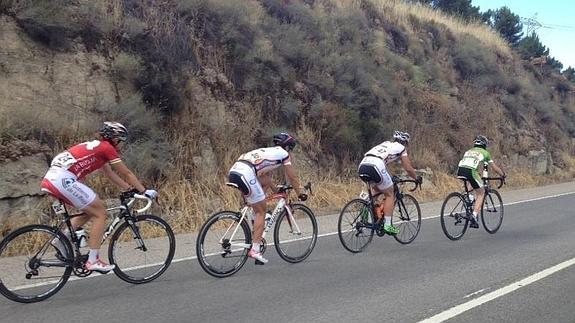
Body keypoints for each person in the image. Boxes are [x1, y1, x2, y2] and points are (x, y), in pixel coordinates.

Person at [41, 122, 158, 273]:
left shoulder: (97, 147)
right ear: (115, 139)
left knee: (91, 210)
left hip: (52, 179)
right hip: (63, 180)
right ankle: (93, 260)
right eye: (121, 141)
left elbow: (109, 174)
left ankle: (61, 240)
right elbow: (127, 173)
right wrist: (144, 191)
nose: (121, 145)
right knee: (101, 213)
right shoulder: (107, 148)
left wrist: (129, 189)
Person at [227, 133, 308, 264]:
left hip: (235, 171)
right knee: (261, 211)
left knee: (260, 192)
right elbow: (293, 177)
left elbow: (266, 180)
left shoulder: (267, 152)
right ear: (287, 147)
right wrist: (300, 192)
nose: (290, 152)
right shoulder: (283, 154)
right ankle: (255, 249)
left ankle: (254, 222)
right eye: (290, 149)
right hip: (246, 173)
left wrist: (277, 191)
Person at [358, 131, 422, 234]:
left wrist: (391, 177)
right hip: (376, 165)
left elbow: (384, 166)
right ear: (405, 142)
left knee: (375, 190)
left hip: (363, 164)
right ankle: (388, 225)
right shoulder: (402, 148)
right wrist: (416, 178)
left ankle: (365, 214)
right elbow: (408, 168)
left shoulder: (386, 143)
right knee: (389, 194)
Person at [457, 135, 506, 228]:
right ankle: (474, 215)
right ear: (484, 145)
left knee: (471, 181)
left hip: (460, 170)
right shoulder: (485, 153)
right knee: (481, 192)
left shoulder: (469, 151)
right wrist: (502, 175)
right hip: (471, 171)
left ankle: (469, 198)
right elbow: (494, 168)